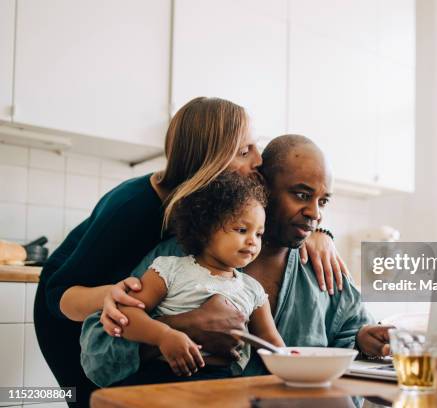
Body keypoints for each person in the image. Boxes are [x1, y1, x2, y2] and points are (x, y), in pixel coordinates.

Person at [34, 98, 346, 408]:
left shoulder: (212, 204)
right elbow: (59, 294)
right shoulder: (133, 207)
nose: (258, 161)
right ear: (208, 159)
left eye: (255, 146)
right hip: (66, 313)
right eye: (244, 151)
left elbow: (284, 212)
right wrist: (115, 296)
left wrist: (320, 233)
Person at [81, 134, 392, 385]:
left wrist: (365, 341)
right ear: (262, 187)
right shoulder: (181, 255)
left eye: (322, 201)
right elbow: (97, 356)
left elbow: (351, 338)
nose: (315, 213)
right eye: (300, 195)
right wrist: (176, 329)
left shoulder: (324, 268)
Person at [91, 172, 283, 385]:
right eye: (242, 230)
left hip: (221, 383)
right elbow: (126, 315)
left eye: (259, 234)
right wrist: (163, 336)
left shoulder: (253, 290)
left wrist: (297, 369)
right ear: (205, 229)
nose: (252, 242)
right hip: (159, 377)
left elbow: (270, 341)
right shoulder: (169, 269)